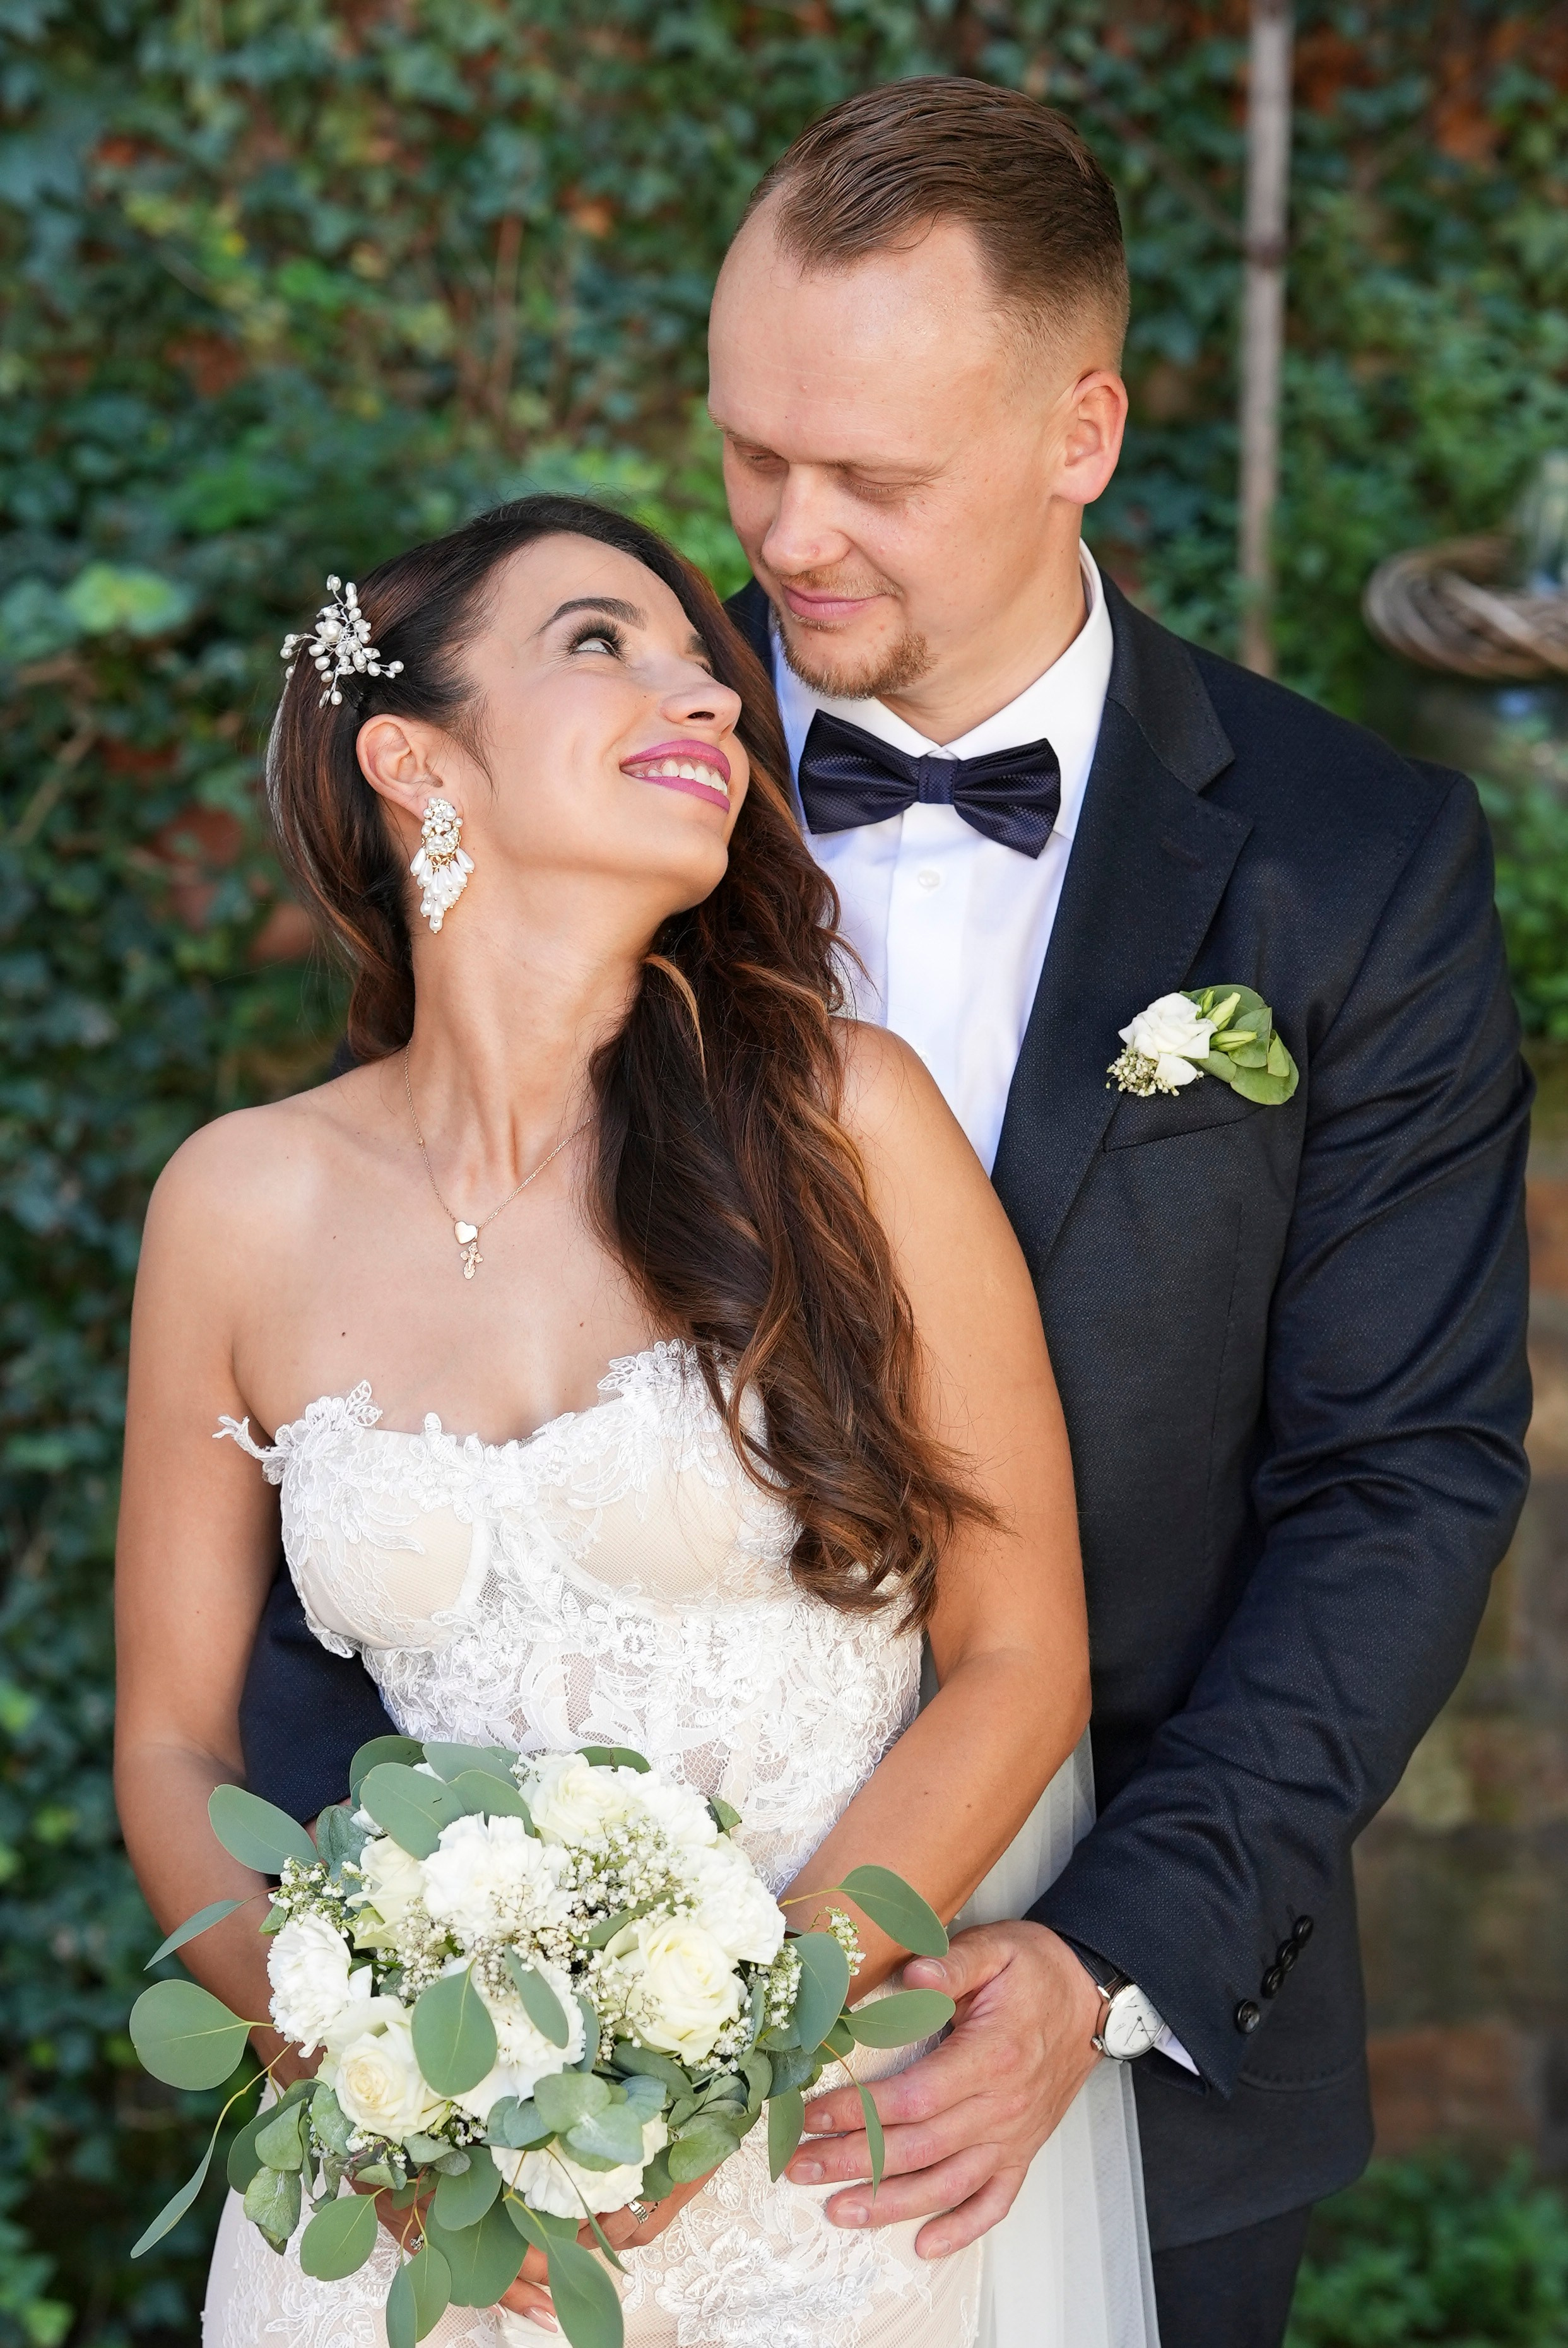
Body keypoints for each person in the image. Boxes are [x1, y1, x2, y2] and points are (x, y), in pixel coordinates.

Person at [226, 76, 1533, 2348]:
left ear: (1082, 431)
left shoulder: (1351, 866)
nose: (787, 539)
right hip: (523, 2095)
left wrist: (1106, 1950)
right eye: (749, 453)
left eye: (877, 479)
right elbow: (334, 1371)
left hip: (1108, 2050)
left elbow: (1397, 1482)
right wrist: (398, 1984)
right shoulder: (574, 765)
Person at [115, 493, 1155, 2348]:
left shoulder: (848, 1120)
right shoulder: (234, 1205)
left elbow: (1020, 1659)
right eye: (604, 640)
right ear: (413, 759)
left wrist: (735, 2065)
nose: (707, 686)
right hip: (421, 2218)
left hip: (822, 2164)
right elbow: (177, 1742)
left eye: (706, 657)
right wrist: (371, 2092)